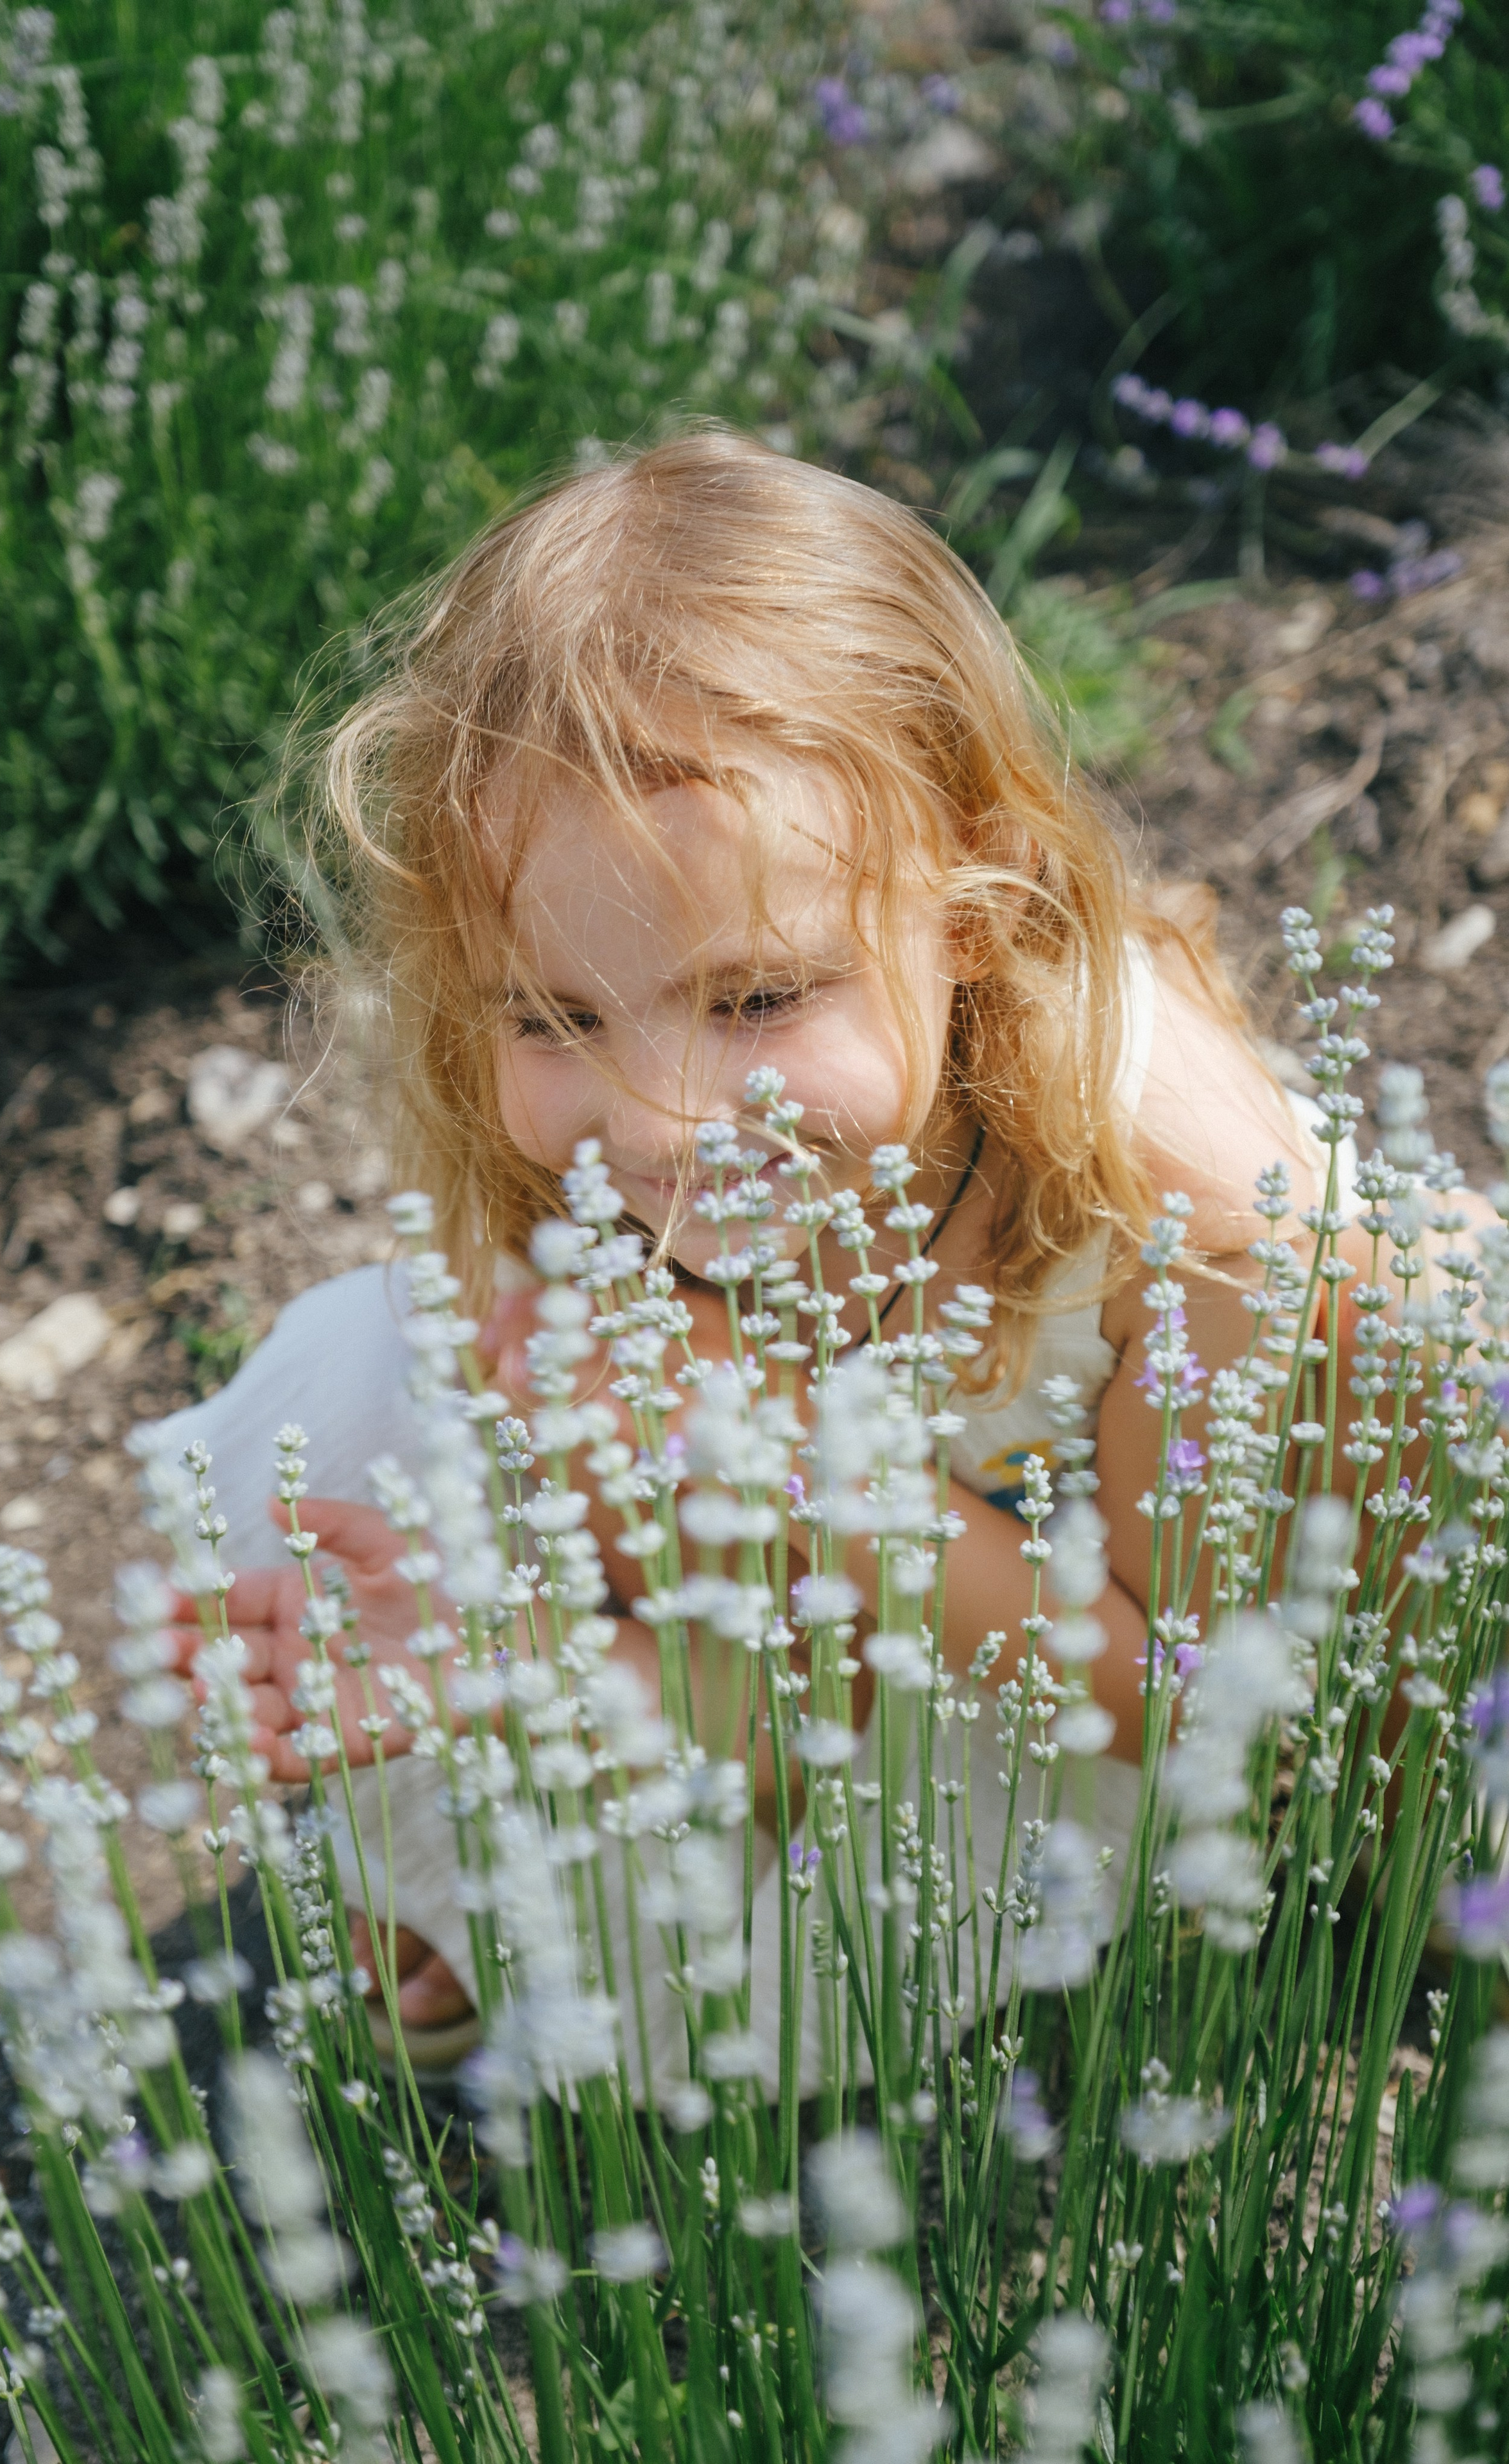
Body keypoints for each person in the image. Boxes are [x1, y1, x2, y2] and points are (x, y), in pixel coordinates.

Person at [147, 425, 1332, 2081]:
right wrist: (544, 1655)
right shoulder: (561, 1161)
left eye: (760, 998)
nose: (659, 1122)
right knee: (361, 1385)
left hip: (1070, 1686)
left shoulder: (1189, 1211)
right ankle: (508, 1888)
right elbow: (759, 1669)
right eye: (557, 1016)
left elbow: (1196, 1702)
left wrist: (796, 1460)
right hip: (823, 1636)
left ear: (974, 910)